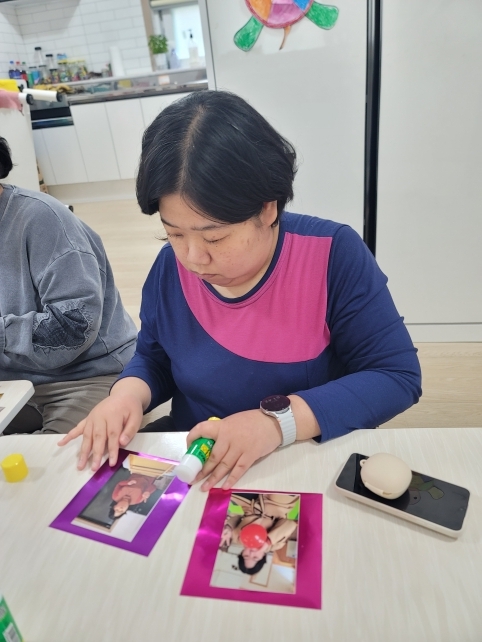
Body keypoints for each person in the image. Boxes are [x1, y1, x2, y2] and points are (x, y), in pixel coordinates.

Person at [59, 90, 422, 488]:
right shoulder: (169, 268)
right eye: (173, 233)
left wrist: (276, 424)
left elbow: (395, 376)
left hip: (299, 457)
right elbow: (155, 356)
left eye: (214, 238)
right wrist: (127, 396)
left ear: (267, 208)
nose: (193, 258)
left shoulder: (332, 254)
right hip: (198, 458)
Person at [0, 137, 137, 434]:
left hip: (85, 374)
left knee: (56, 459)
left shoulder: (41, 219)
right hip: (12, 378)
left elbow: (73, 329)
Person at [220, 493, 299, 575]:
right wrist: (268, 541)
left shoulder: (237, 538)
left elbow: (238, 516)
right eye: (255, 557)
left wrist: (229, 527)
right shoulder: (276, 545)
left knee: (230, 494)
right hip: (278, 504)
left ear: (242, 553)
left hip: (249, 503)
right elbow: (290, 523)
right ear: (263, 556)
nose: (251, 553)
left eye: (246, 556)